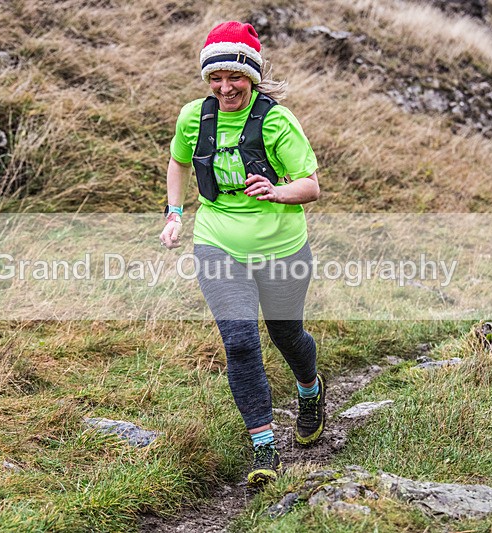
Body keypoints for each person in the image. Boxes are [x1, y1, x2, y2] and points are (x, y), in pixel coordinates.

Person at [159, 21, 324, 487]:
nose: (225, 87)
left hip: (282, 248)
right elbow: (179, 161)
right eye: (215, 78)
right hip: (217, 243)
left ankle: (310, 390)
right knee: (239, 341)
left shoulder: (277, 121)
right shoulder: (194, 117)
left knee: (286, 335)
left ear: (252, 76)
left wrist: (277, 191)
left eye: (235, 77)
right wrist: (175, 214)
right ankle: (264, 447)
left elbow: (311, 185)